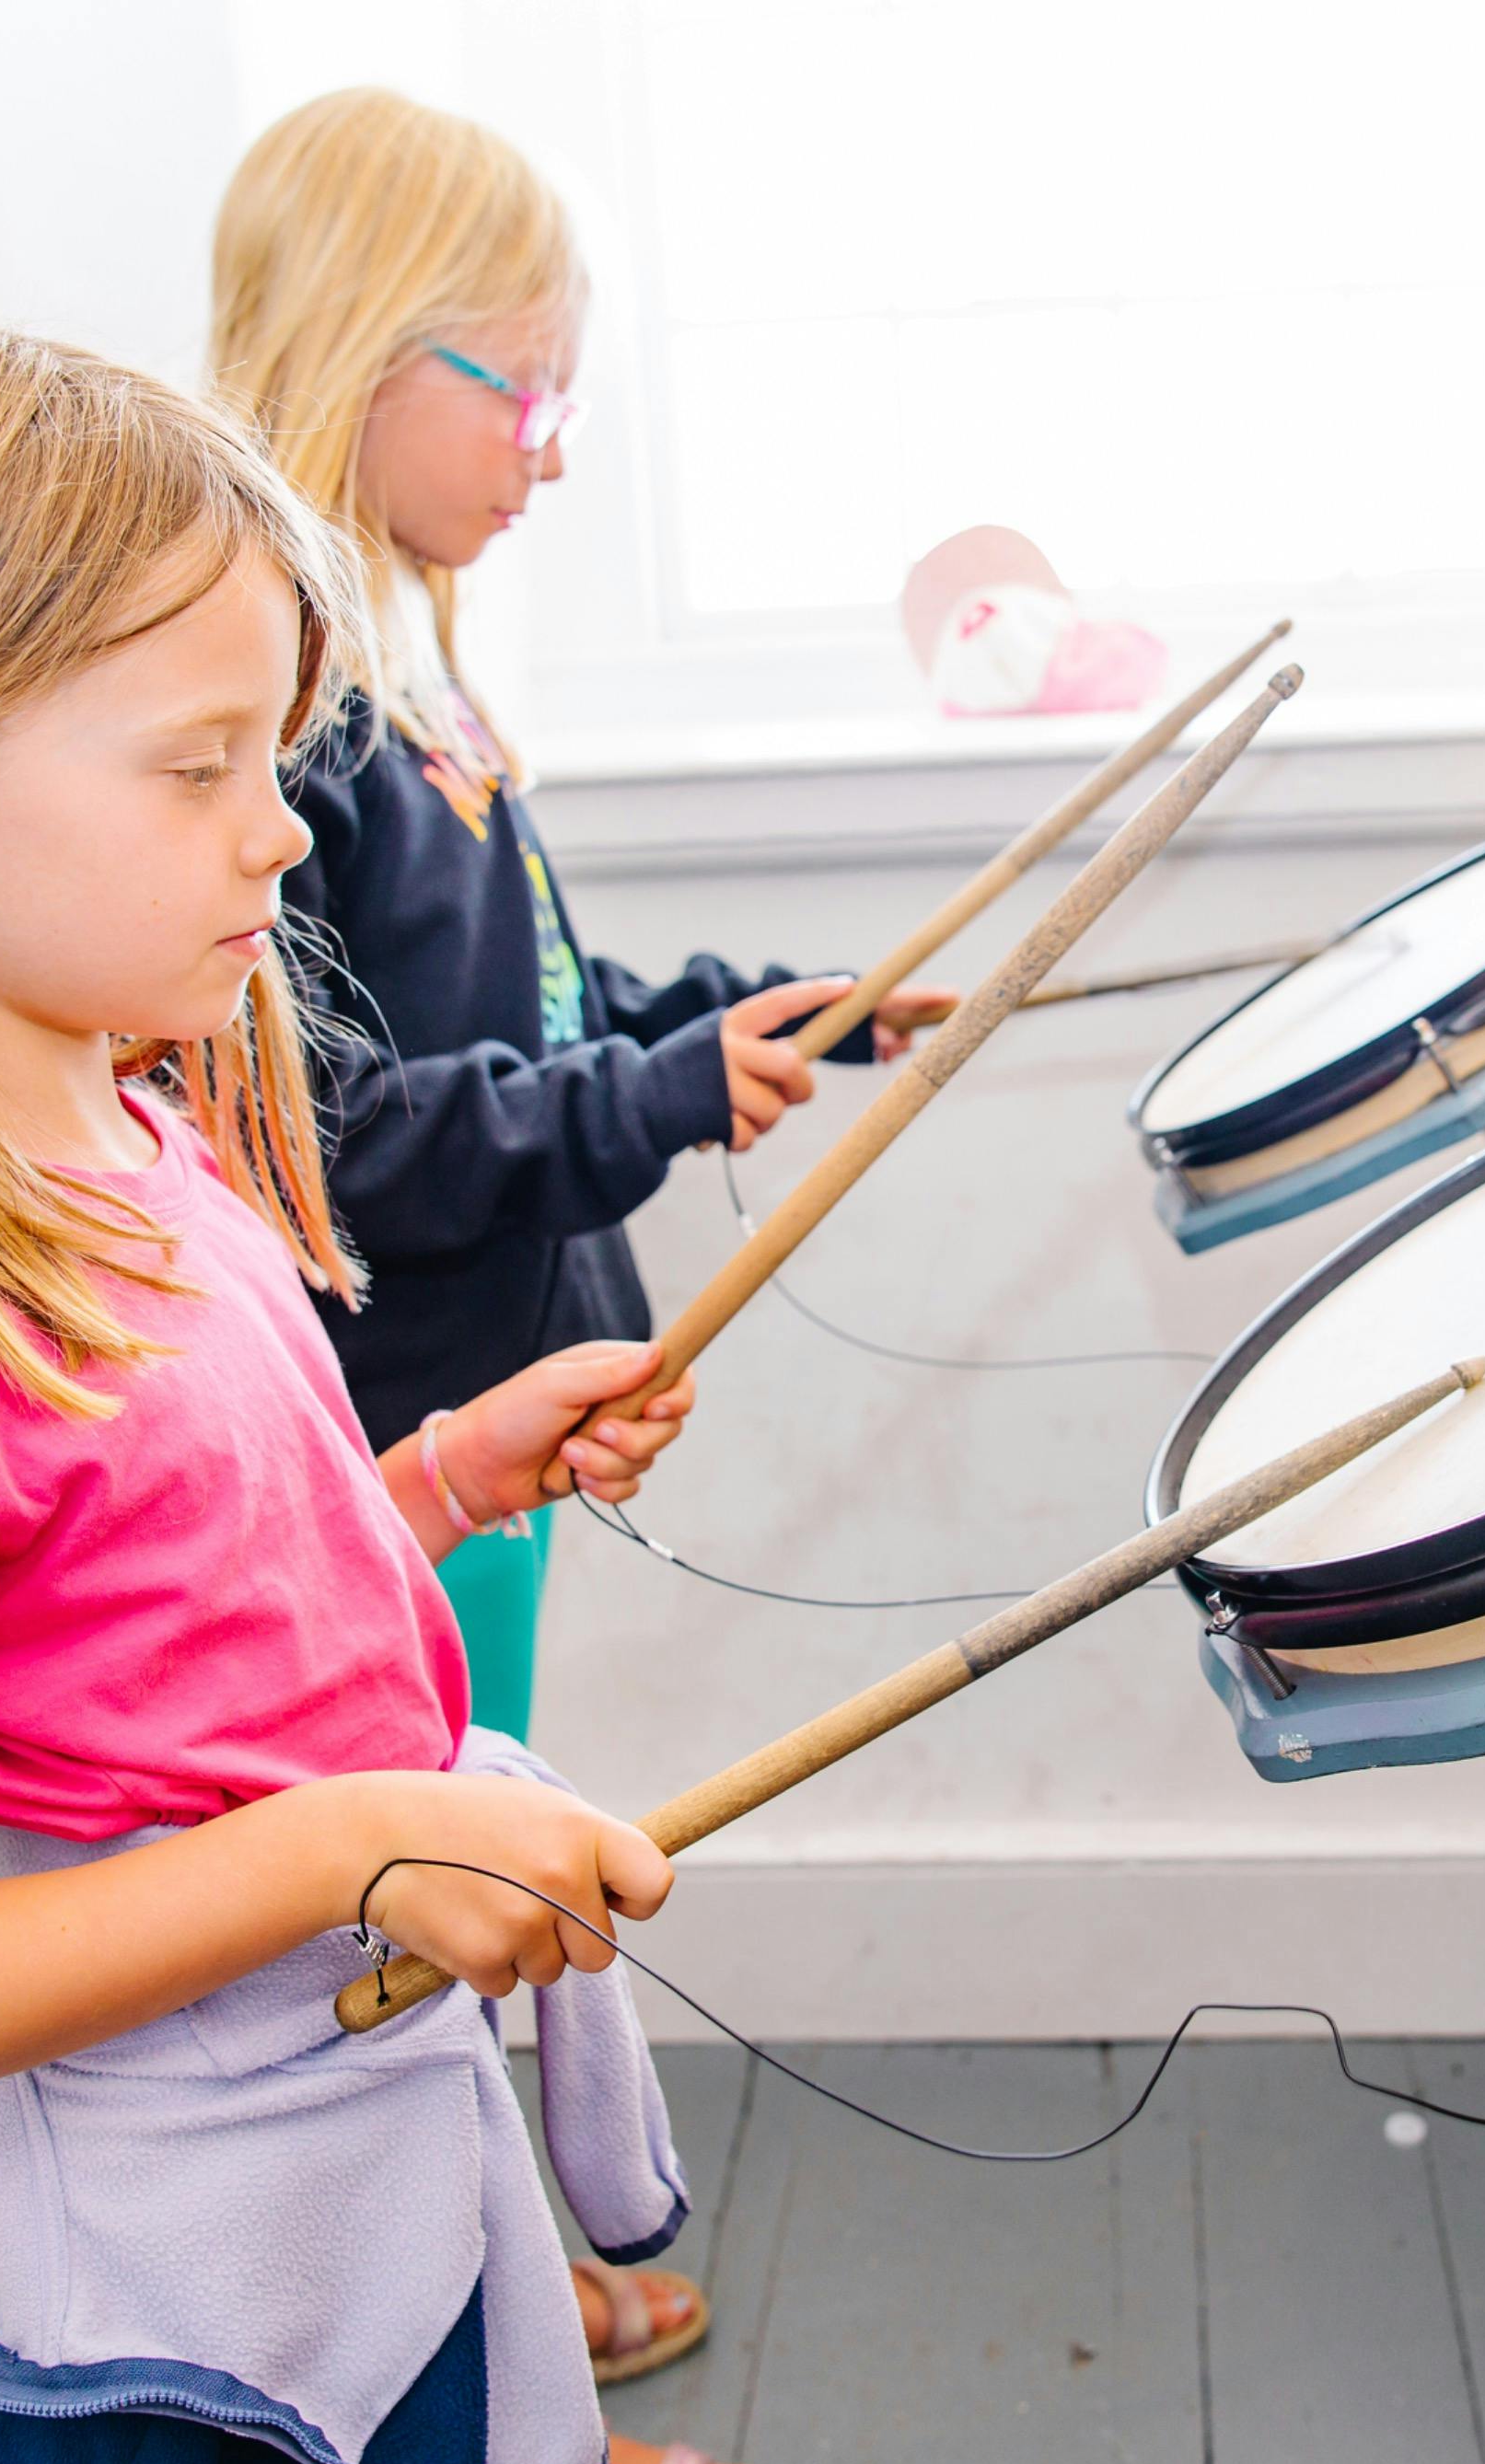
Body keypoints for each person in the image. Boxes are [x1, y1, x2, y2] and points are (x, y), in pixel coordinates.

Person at [0, 312, 768, 2464]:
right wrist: (335, 1847)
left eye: (279, 760)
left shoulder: (148, 1145)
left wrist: (430, 1479)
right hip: (143, 2299)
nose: (280, 842)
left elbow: (159, 1648)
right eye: (197, 765)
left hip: (347, 2157)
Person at [210, 87, 959, 1749]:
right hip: (398, 1437)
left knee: (475, 1791)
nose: (550, 446)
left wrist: (742, 1012)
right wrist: (658, 1095)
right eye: (525, 390)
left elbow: (521, 1005)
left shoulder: (415, 689)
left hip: (496, 1403)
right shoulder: (286, 719)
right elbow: (322, 1137)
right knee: (414, 1844)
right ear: (361, 343)